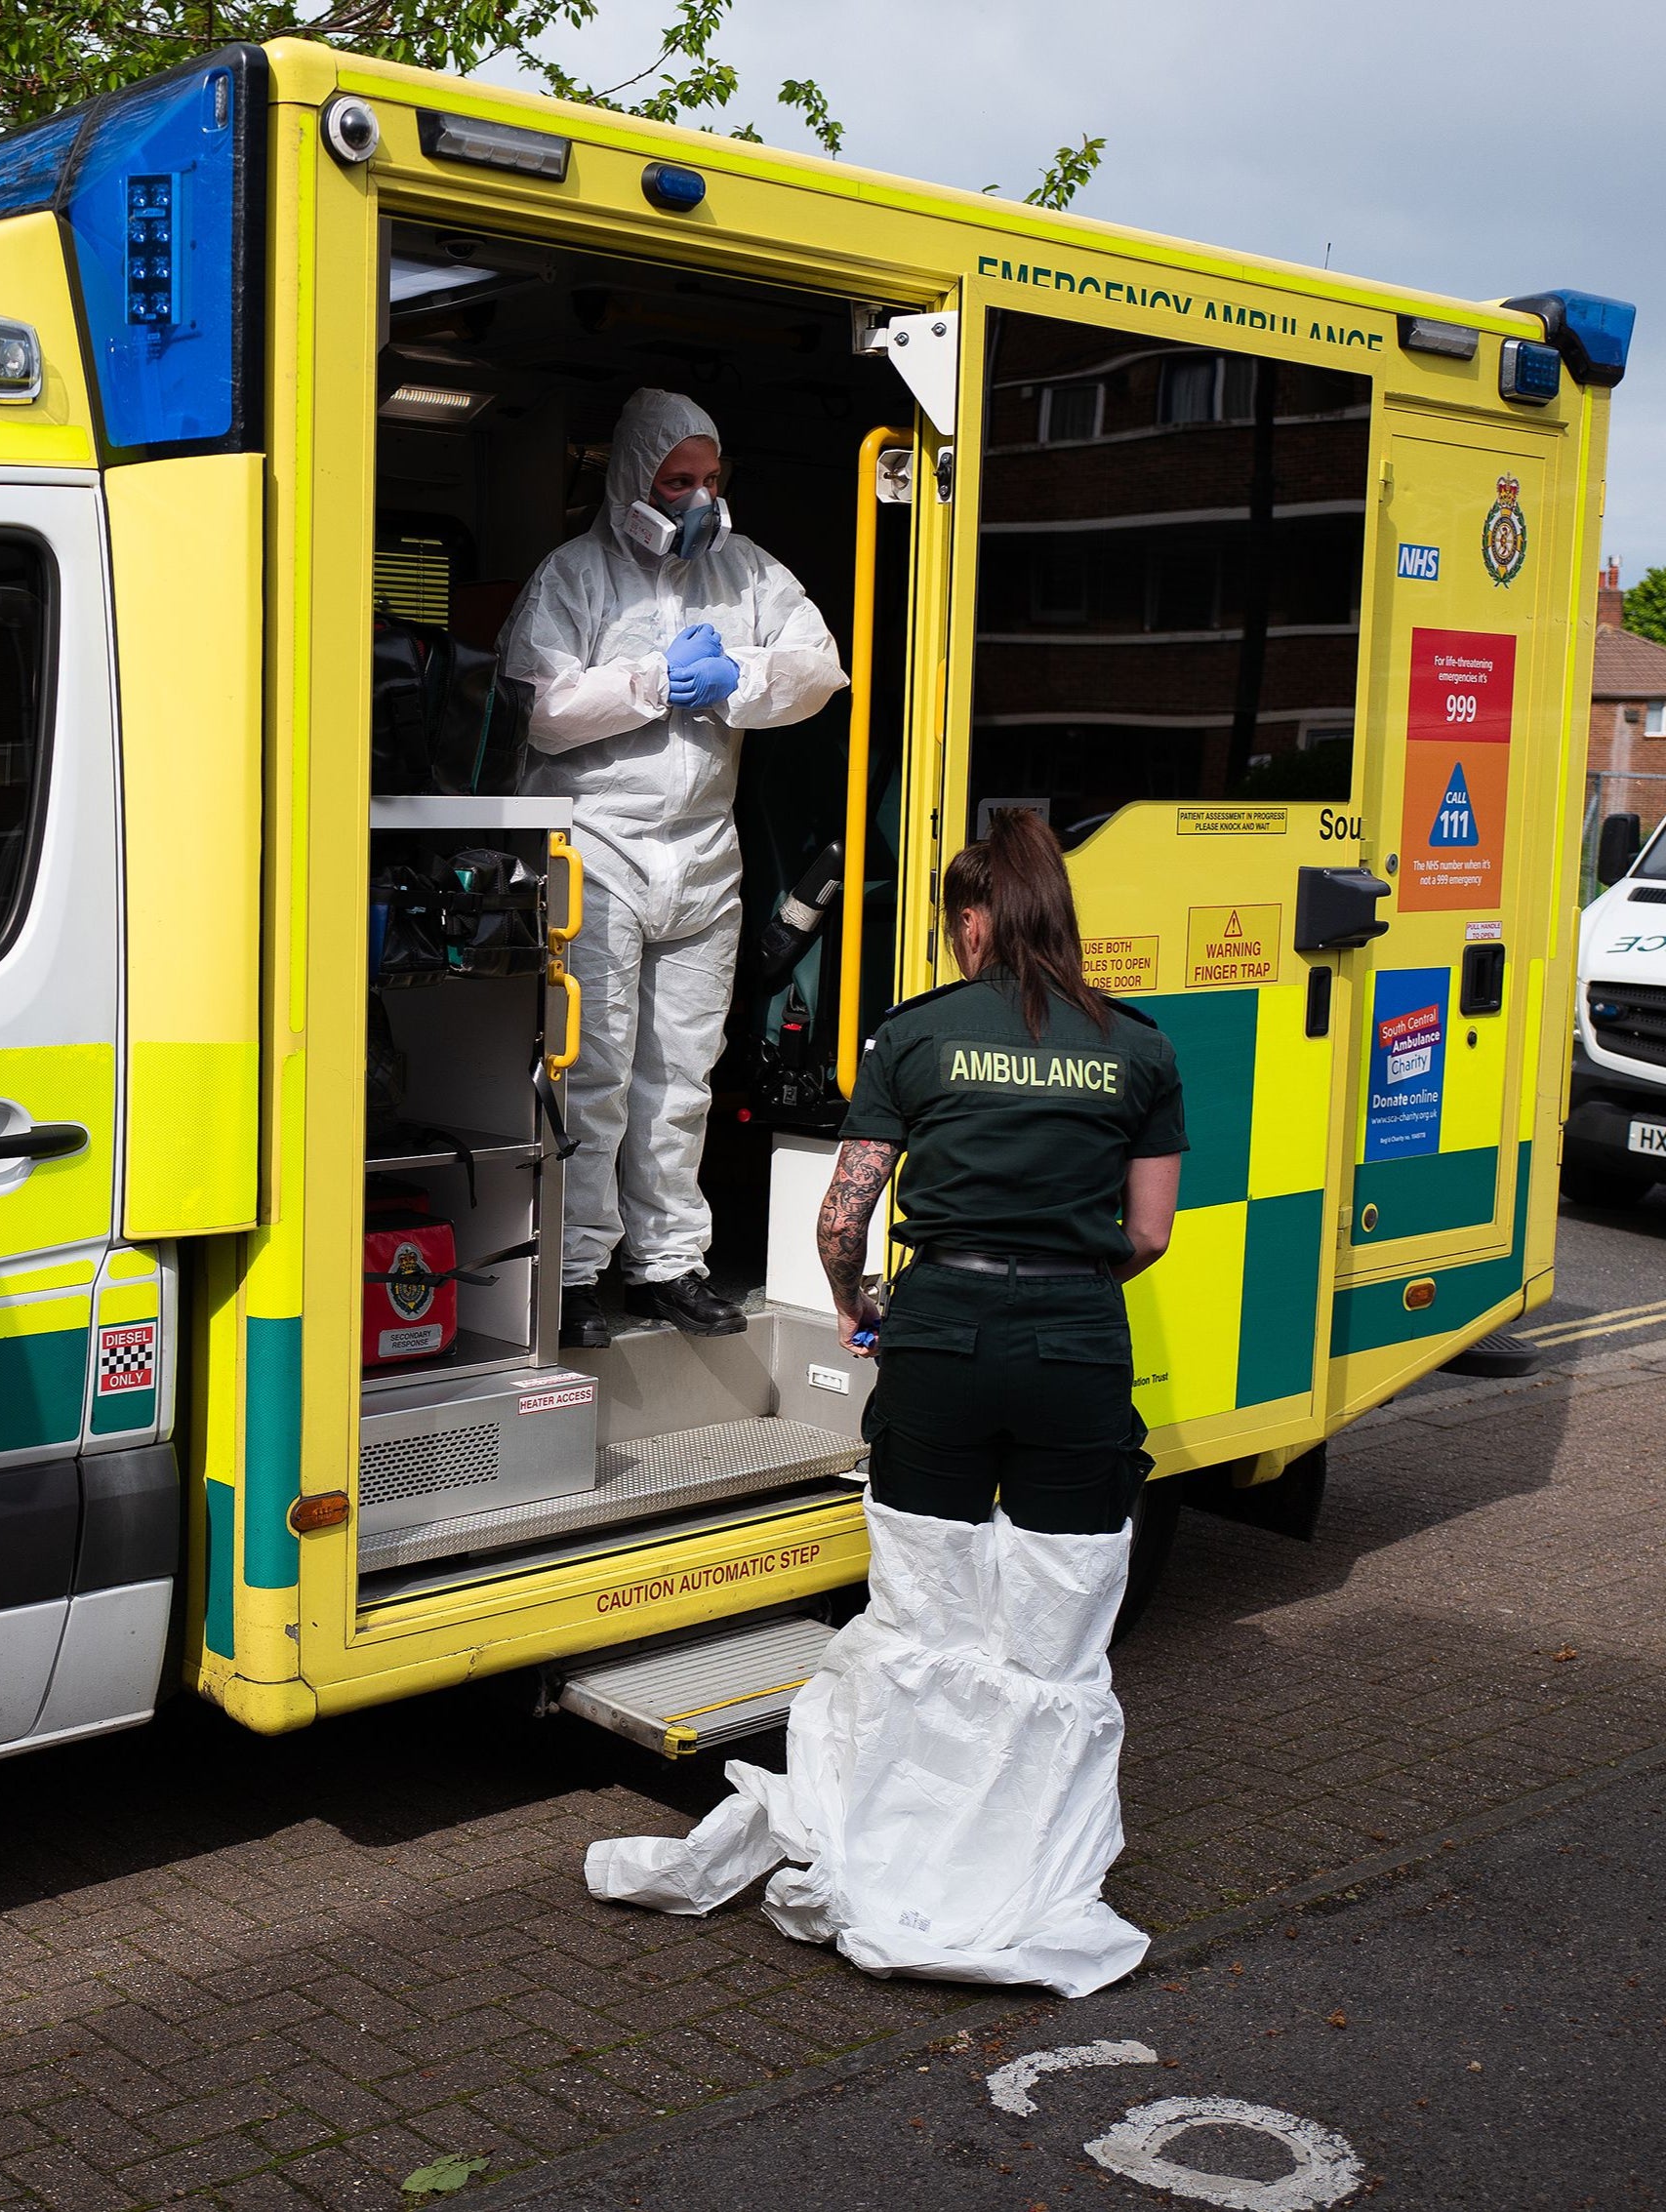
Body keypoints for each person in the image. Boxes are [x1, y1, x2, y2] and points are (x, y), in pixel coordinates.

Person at [583, 809, 1186, 1999]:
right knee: (1055, 1632)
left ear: (973, 918)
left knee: (925, 1614)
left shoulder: (916, 1038)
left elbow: (842, 1217)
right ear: (1059, 913)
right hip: (1075, 1348)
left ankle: (911, 1841)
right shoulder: (1138, 1047)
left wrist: (868, 1305)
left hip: (943, 1339)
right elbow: (1150, 1231)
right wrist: (1061, 1281)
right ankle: (1021, 1869)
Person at [500, 389, 845, 1344]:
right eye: (677, 480)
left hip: (701, 854)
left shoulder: (743, 573)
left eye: (709, 479)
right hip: (598, 851)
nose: (698, 498)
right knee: (593, 1074)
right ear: (631, 481)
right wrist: (654, 681)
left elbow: (819, 666)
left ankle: (666, 1264)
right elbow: (544, 705)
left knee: (682, 1078)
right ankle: (571, 1274)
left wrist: (739, 674)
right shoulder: (575, 578)